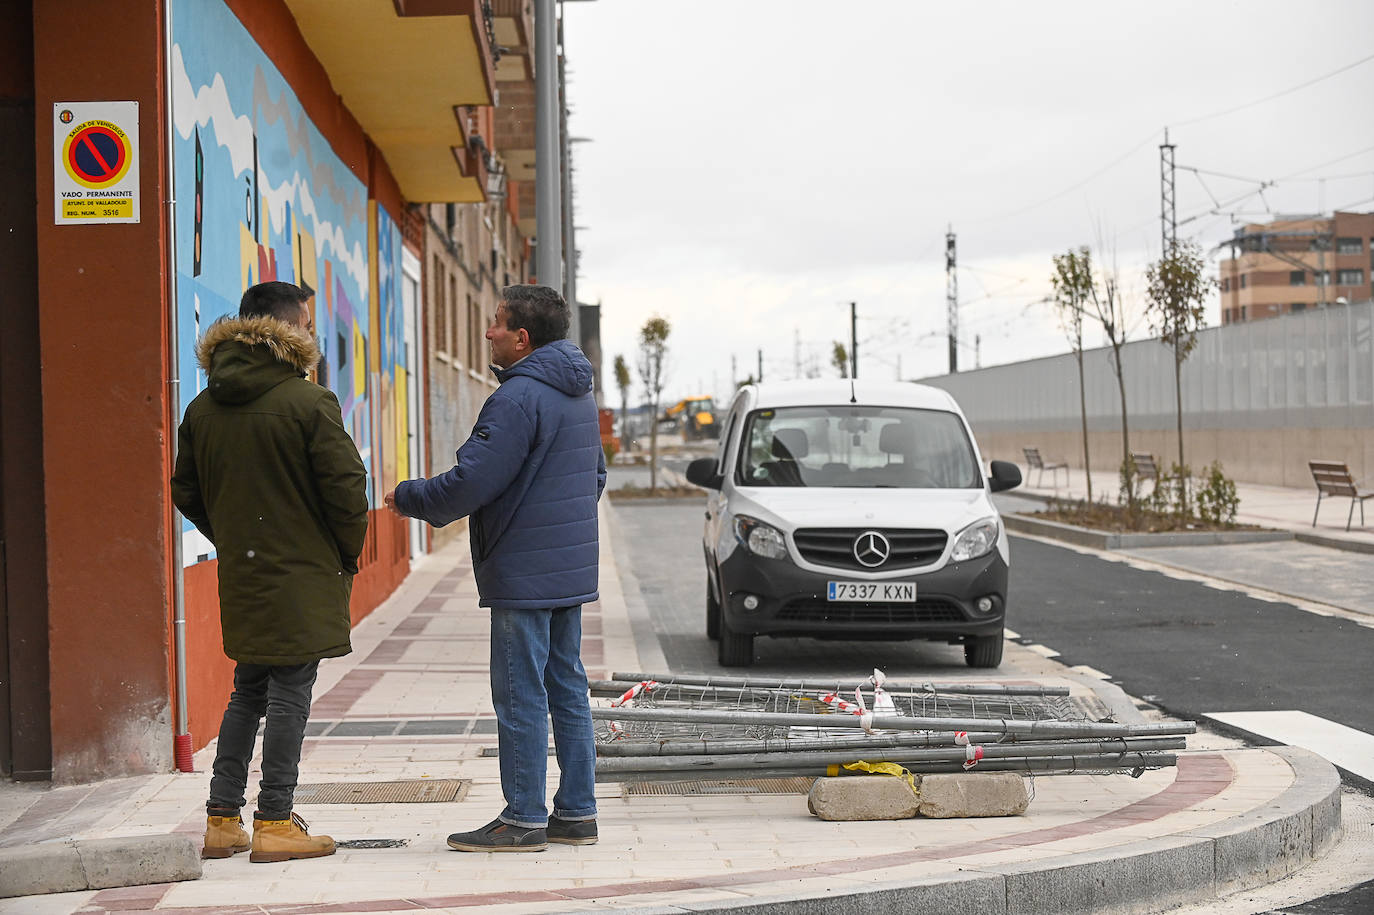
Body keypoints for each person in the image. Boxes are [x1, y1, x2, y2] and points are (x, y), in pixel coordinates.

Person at [384, 284, 605, 852]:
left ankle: (524, 818)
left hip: (523, 572)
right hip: (567, 568)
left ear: (522, 337)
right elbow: (594, 478)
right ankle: (577, 813)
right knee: (568, 688)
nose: (489, 333)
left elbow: (473, 481)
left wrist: (408, 497)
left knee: (521, 694)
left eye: (497, 324)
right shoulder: (577, 396)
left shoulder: (516, 398)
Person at [171, 281, 369, 863]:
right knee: (290, 695)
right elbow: (346, 491)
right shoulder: (309, 403)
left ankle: (222, 818)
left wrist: (232, 537)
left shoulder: (202, 407)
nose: (311, 333)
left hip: (245, 572)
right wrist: (342, 552)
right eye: (306, 324)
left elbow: (187, 490)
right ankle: (276, 821)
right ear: (289, 329)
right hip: (302, 573)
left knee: (247, 691)